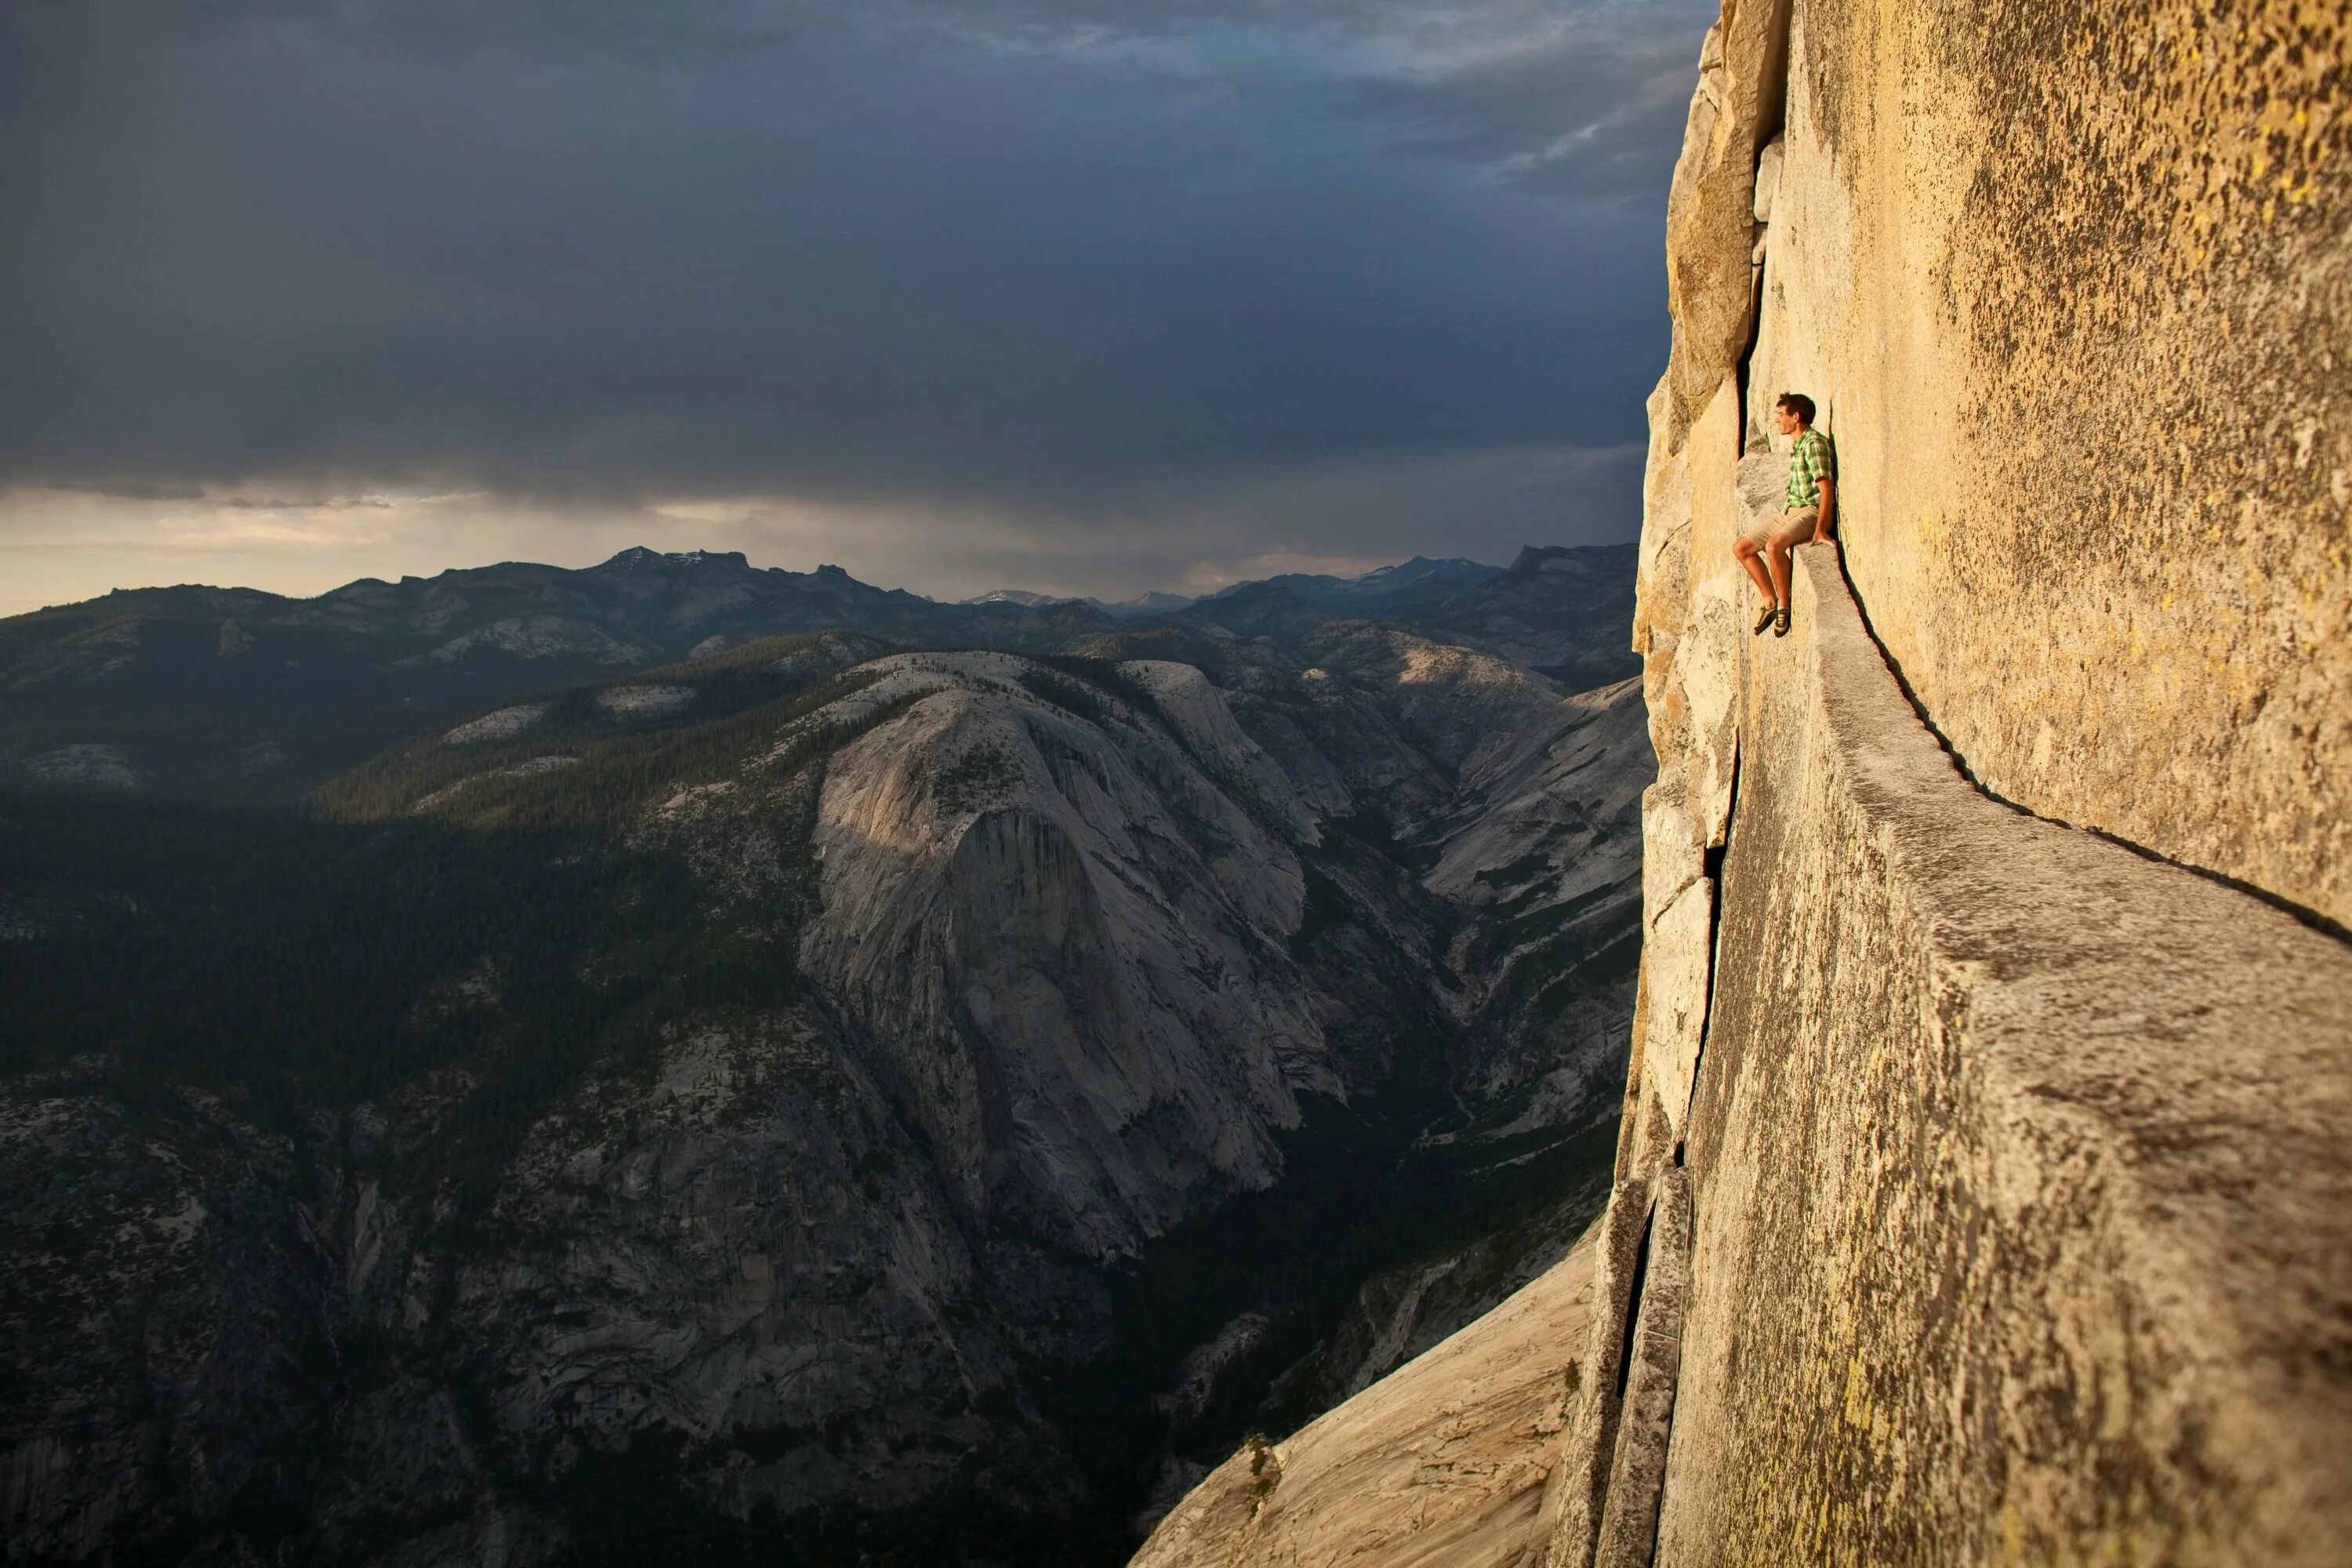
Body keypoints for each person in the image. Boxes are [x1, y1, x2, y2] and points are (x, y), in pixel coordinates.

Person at [1734, 392, 1835, 637]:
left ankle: (1783, 605)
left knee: (1774, 546)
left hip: (1809, 512)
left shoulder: (1813, 444)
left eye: (1781, 415)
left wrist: (1821, 529)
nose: (1777, 420)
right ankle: (1769, 601)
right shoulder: (1799, 445)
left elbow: (1826, 489)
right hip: (1790, 510)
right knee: (1742, 548)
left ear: (1796, 417)